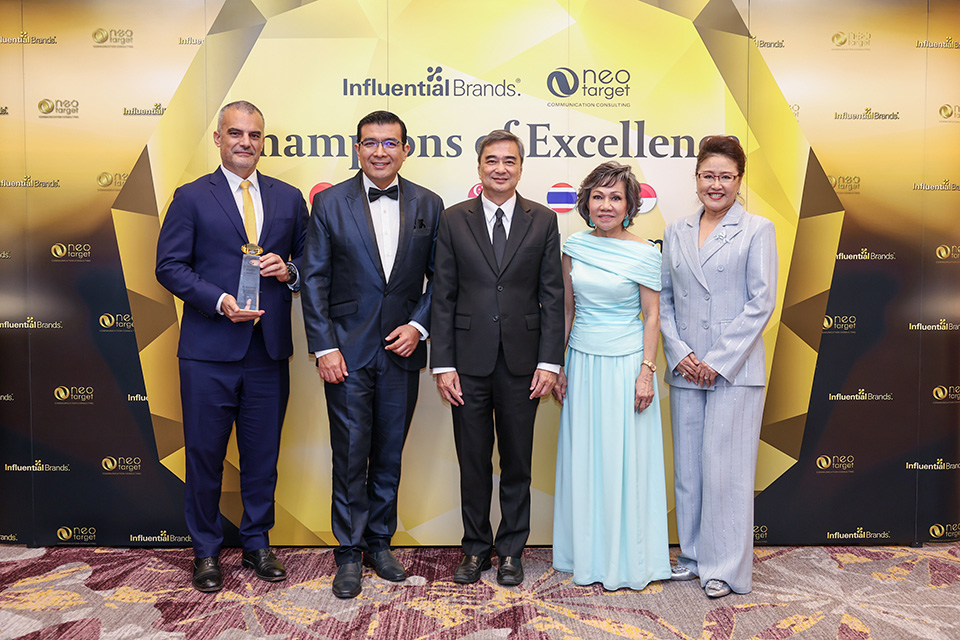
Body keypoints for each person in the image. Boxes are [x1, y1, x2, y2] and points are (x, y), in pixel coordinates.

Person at [156, 100, 307, 592]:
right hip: (208, 352)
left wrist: (289, 270)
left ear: (264, 141)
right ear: (218, 138)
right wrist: (219, 301)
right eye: (236, 133)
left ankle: (257, 543)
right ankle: (205, 550)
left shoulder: (289, 198)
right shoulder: (190, 197)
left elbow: (310, 260)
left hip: (268, 351)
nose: (246, 142)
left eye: (254, 135)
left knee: (262, 457)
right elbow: (169, 266)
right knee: (205, 455)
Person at [300, 110, 444, 599]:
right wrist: (324, 346)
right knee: (349, 454)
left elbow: (441, 279)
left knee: (388, 453)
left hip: (402, 350)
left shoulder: (429, 203)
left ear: (406, 149)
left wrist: (419, 326)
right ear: (357, 148)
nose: (380, 151)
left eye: (390, 143)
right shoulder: (329, 202)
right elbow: (313, 279)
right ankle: (348, 552)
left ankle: (380, 543)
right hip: (345, 351)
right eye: (370, 143)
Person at [431, 129, 564, 587]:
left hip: (524, 365)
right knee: (472, 462)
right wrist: (442, 364)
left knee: (517, 463)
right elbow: (443, 295)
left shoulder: (543, 220)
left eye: (509, 160)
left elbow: (552, 296)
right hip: (466, 363)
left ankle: (510, 551)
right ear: (479, 167)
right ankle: (474, 549)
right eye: (492, 160)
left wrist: (550, 363)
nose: (500, 168)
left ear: (521, 168)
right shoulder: (453, 219)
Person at [660, 135, 777, 598]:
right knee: (689, 471)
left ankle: (724, 569)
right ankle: (692, 556)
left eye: (725, 176)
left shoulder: (757, 228)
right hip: (687, 368)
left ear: (739, 180)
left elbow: (761, 301)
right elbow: (663, 299)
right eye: (708, 175)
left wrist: (717, 360)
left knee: (726, 472)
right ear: (696, 178)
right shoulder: (677, 230)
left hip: (734, 371)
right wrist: (680, 354)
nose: (716, 184)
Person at [551, 161, 670, 590]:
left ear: (630, 205)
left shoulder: (645, 252)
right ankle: (587, 554)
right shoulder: (573, 247)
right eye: (598, 196)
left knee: (626, 461)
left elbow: (652, 316)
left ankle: (627, 559)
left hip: (626, 366)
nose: (606, 205)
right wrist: (559, 365)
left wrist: (646, 373)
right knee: (586, 458)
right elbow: (567, 311)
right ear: (586, 203)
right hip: (583, 364)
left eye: (615, 197)